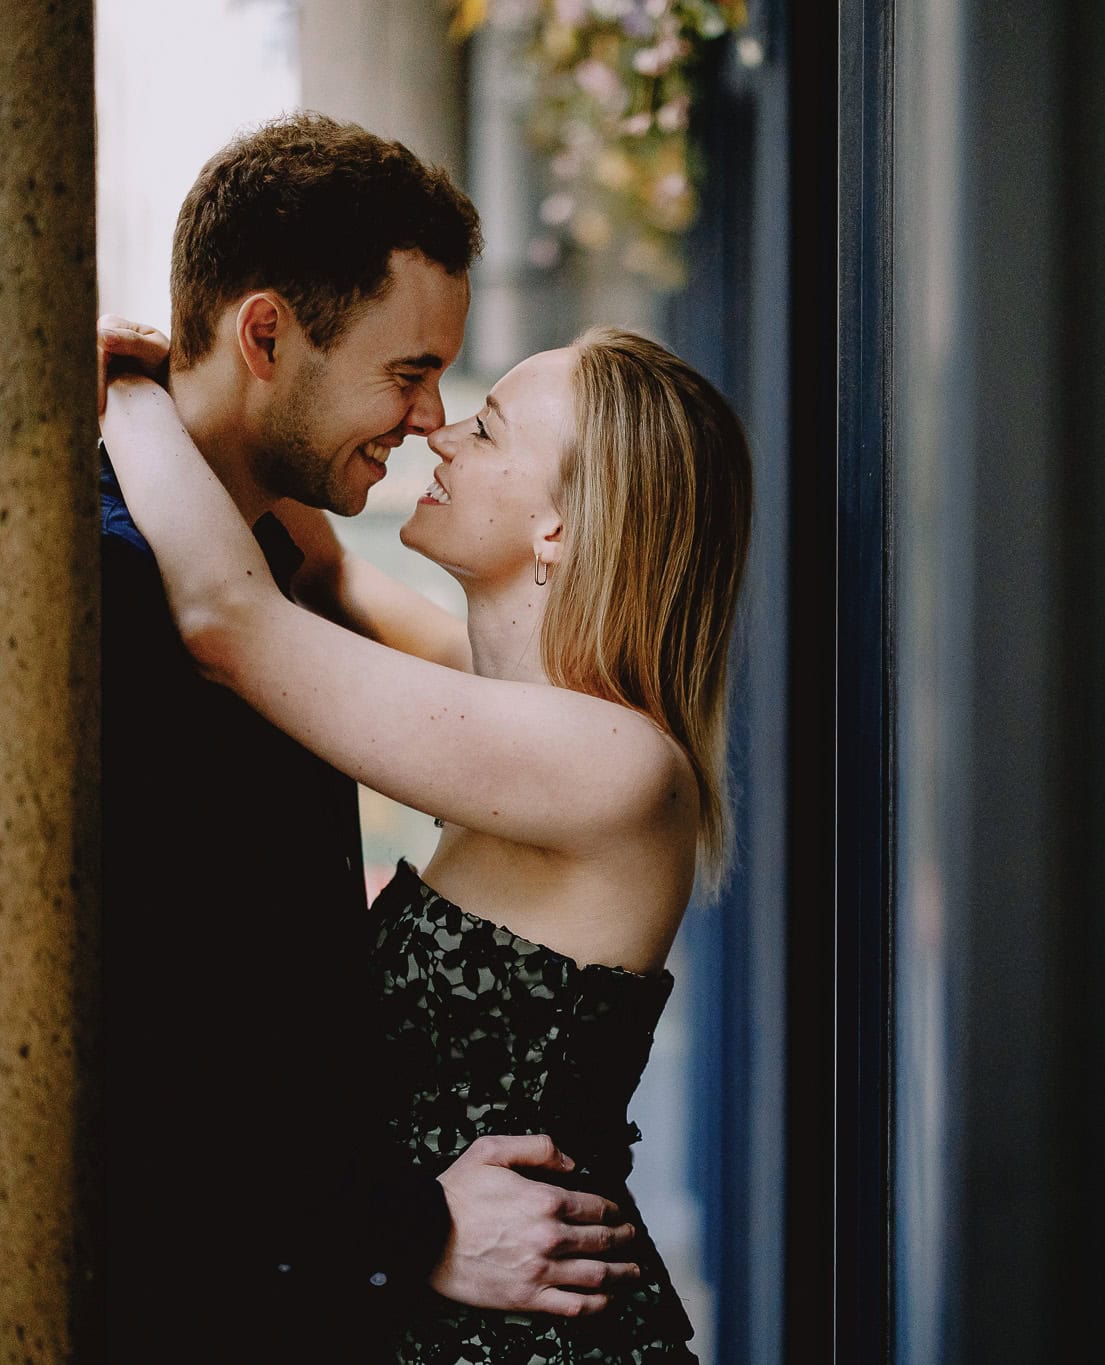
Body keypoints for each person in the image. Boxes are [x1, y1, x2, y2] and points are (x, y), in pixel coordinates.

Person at [98, 311, 751, 1361]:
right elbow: (322, 577)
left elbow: (232, 618)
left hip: (529, 1332)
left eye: (486, 432)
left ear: (558, 529)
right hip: (448, 1301)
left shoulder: (608, 765)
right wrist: (234, 385)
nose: (439, 434)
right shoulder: (501, 704)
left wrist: (121, 391)